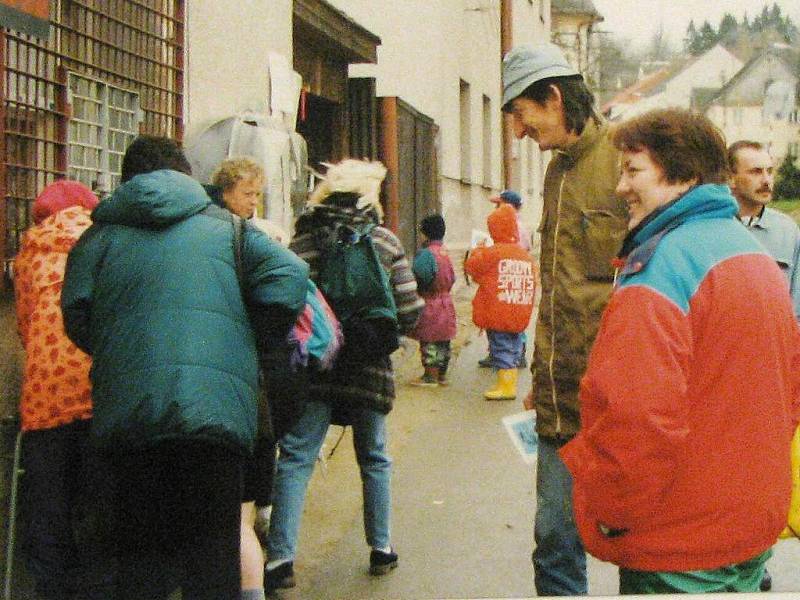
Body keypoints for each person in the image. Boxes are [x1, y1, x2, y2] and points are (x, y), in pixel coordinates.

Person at [560, 107, 800, 594]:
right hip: (747, 527)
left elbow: (635, 415)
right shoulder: (752, 252)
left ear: (684, 174)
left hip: (680, 541)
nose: (621, 187)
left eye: (633, 171)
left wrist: (610, 510)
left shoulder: (663, 264)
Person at [61, 135, 309, 600]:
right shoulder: (229, 229)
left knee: (140, 556)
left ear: (125, 179)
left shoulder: (98, 238)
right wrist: (241, 338)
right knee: (214, 552)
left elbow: (76, 314)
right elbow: (290, 276)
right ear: (186, 174)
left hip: (130, 416)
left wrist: (119, 349)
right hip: (215, 416)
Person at [501, 42, 628, 594]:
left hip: (621, 403)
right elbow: (559, 293)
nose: (519, 133)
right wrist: (541, 374)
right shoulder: (556, 173)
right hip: (558, 401)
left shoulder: (629, 161)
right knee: (553, 542)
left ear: (553, 98)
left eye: (522, 115)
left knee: (639, 543)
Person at [263, 159, 423, 591]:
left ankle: (280, 558)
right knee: (373, 457)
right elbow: (409, 310)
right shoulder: (386, 242)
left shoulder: (304, 241)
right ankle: (381, 547)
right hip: (368, 367)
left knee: (296, 457)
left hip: (317, 368)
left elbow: (286, 302)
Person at [13, 180, 113, 599]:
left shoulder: (28, 255)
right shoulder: (103, 246)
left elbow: (24, 325)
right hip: (98, 389)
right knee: (97, 501)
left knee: (48, 503)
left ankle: (51, 588)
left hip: (45, 395)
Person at [207, 156, 290, 600]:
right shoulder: (234, 238)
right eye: (247, 193)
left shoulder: (246, 234)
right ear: (225, 192)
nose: (253, 201)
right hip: (247, 386)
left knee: (240, 510)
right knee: (240, 510)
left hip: (245, 385)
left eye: (257, 193)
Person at [465, 203, 536, 400]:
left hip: (497, 311)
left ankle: (506, 387)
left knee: (500, 347)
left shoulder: (492, 253)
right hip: (517, 309)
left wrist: (477, 251)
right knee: (512, 346)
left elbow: (472, 267)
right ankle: (508, 382)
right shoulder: (524, 255)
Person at [729, 140, 800, 321]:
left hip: (776, 343)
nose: (766, 180)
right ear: (730, 178)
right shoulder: (711, 230)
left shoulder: (788, 231)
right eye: (755, 172)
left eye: (770, 171)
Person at [478, 189, 531, 369]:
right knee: (514, 318)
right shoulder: (521, 226)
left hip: (505, 275)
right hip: (518, 276)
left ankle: (507, 359)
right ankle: (513, 354)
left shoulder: (509, 226)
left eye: (498, 204)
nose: (495, 207)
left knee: (503, 320)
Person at [408, 214, 457, 387]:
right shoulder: (445, 253)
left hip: (430, 301)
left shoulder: (426, 254)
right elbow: (453, 277)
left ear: (425, 234)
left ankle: (430, 375)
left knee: (429, 340)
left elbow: (419, 275)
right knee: (444, 340)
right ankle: (442, 375)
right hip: (446, 302)